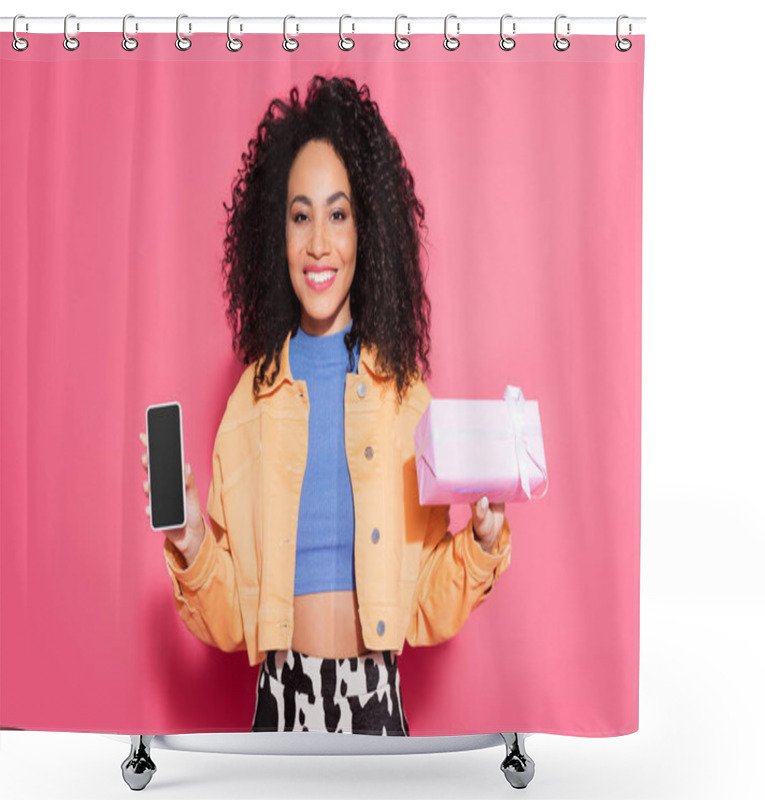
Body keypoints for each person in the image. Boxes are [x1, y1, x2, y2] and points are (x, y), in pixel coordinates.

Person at [139, 75, 512, 736]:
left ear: (366, 230)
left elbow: (424, 602)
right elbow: (230, 625)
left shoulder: (406, 398)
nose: (319, 243)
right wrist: (191, 538)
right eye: (301, 215)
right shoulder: (248, 407)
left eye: (338, 214)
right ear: (275, 235)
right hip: (279, 698)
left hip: (378, 695)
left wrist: (480, 544)